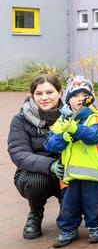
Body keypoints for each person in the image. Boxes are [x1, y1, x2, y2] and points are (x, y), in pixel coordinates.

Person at [44, 76, 98, 248]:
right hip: (69, 173)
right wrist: (64, 136)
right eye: (75, 95)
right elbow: (50, 144)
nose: (80, 98)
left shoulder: (94, 118)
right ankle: (68, 229)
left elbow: (94, 136)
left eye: (84, 95)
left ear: (91, 98)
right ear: (67, 100)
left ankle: (96, 226)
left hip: (91, 172)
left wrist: (75, 129)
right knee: (68, 204)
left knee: (94, 201)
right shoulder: (61, 120)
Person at [8, 74, 63, 239]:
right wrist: (50, 165)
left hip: (67, 169)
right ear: (32, 95)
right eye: (39, 93)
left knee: (85, 176)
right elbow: (19, 153)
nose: (44, 97)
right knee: (36, 182)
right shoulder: (21, 119)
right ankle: (36, 213)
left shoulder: (73, 115)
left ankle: (68, 208)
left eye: (50, 92)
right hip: (35, 172)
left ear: (60, 93)